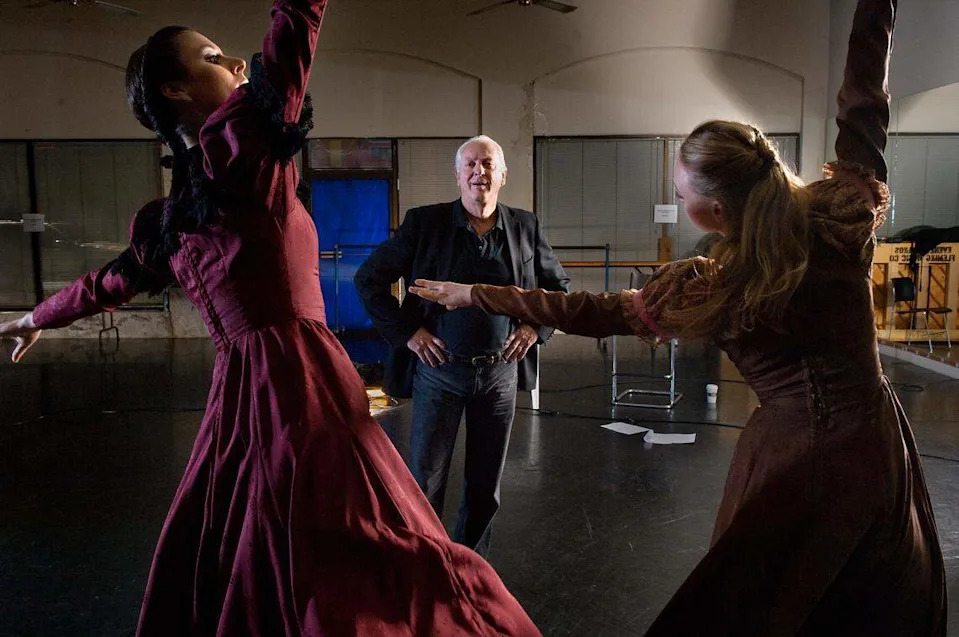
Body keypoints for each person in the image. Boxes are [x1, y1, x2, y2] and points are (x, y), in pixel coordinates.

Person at [0, 2, 541, 634]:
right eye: (209, 57)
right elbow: (293, 30)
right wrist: (35, 314)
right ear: (175, 90)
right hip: (301, 383)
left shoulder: (182, 213)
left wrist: (35, 314)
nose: (232, 61)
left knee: (264, 542)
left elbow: (105, 285)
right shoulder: (245, 155)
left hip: (241, 399)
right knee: (348, 545)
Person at [408, 0, 947, 633]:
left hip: (800, 460)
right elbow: (865, 106)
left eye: (682, 191)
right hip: (875, 436)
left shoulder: (722, 287)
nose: (677, 197)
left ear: (714, 213)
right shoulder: (838, 217)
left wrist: (476, 295)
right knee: (872, 595)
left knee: (771, 600)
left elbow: (588, 310)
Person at [355, 136, 569, 556]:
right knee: (425, 479)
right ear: (457, 176)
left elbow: (557, 288)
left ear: (503, 175)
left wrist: (532, 330)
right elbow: (369, 280)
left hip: (500, 376)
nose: (479, 172)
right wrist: (409, 334)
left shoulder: (526, 226)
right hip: (439, 373)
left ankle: (472, 567)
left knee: (486, 485)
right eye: (470, 164)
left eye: (488, 164)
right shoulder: (424, 224)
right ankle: (426, 564)